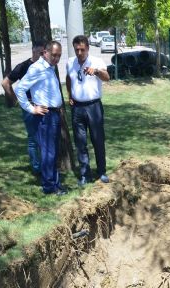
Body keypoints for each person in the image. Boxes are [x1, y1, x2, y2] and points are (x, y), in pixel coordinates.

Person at [14, 41, 67, 196]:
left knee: (54, 151)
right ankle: (49, 186)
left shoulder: (50, 68)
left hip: (55, 114)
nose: (56, 58)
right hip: (45, 116)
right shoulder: (37, 68)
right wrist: (32, 108)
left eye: (59, 56)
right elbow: (20, 89)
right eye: (54, 55)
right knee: (48, 152)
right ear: (45, 52)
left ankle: (55, 183)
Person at [65, 35, 110, 186]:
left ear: (88, 49)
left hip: (94, 107)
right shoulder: (70, 62)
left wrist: (96, 71)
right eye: (76, 49)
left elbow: (107, 77)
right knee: (80, 142)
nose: (79, 53)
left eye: (82, 50)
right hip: (77, 108)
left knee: (97, 139)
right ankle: (85, 174)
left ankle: (102, 171)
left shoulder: (96, 61)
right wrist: (70, 95)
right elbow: (69, 78)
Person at [1, 41, 45, 175]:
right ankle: (37, 168)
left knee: (44, 137)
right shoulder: (24, 66)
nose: (43, 56)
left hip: (44, 106)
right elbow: (5, 83)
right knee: (33, 139)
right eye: (41, 53)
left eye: (45, 53)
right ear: (34, 51)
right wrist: (16, 100)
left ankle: (46, 165)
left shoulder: (45, 66)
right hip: (30, 106)